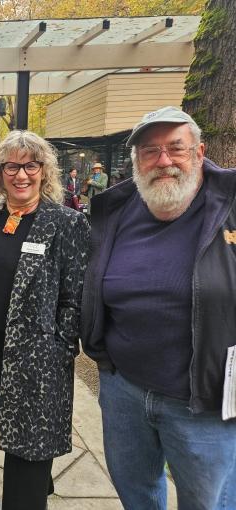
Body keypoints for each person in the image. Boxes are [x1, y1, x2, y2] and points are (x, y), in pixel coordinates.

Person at [81, 106, 236, 509]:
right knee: (137, 495)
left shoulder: (230, 207)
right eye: (150, 151)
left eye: (175, 149)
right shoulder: (113, 211)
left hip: (203, 402)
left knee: (208, 503)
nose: (163, 161)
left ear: (199, 152)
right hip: (124, 391)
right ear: (136, 161)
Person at [0, 130, 89, 509]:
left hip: (37, 358)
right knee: (19, 437)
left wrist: (57, 348)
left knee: (27, 451)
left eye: (30, 165)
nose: (21, 175)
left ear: (44, 171)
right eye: (11, 166)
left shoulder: (66, 223)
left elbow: (75, 297)